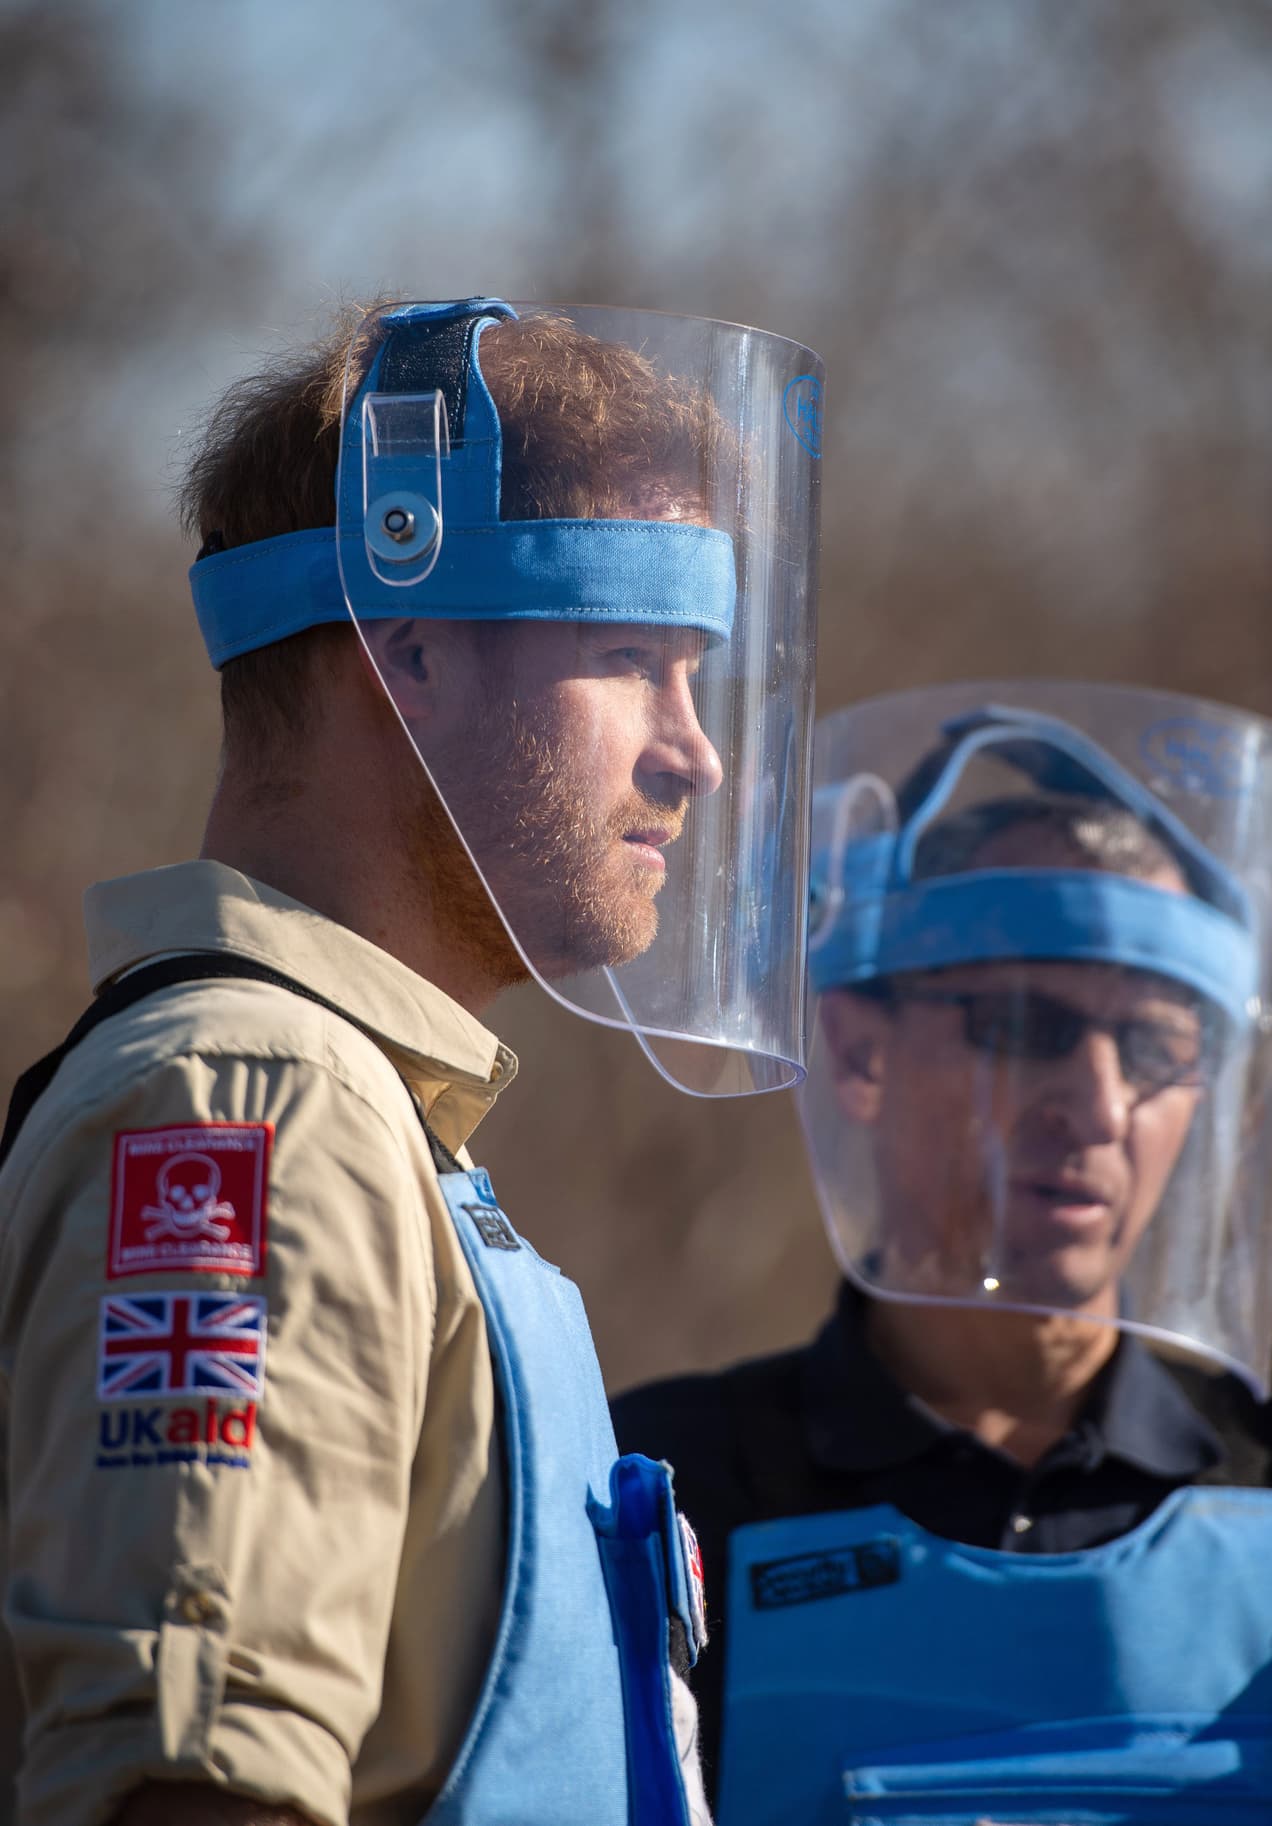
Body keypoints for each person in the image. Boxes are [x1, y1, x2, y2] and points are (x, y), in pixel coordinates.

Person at [0, 297, 824, 1825]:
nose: (693, 748)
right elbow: (189, 1793)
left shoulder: (371, 1119)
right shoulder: (257, 1103)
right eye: (633, 654)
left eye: (699, 672)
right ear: (412, 656)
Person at [614, 684, 1272, 1826]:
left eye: (1157, 1044)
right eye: (1024, 1027)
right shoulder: (668, 1485)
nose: (1098, 1103)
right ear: (858, 1053)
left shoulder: (1262, 1481)